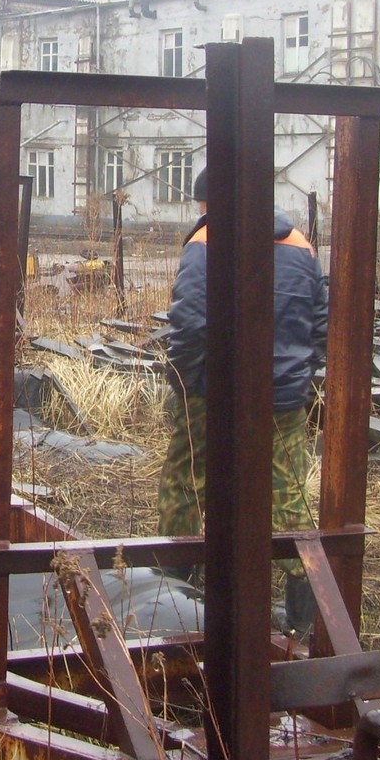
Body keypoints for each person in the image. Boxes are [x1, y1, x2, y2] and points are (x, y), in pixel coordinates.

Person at [158, 166, 327, 637]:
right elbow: (320, 325)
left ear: (209, 201)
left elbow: (191, 323)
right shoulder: (301, 245)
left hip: (213, 392)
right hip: (284, 395)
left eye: (200, 204)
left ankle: (175, 598)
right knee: (287, 489)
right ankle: (302, 619)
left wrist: (186, 380)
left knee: (186, 481)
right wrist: (296, 374)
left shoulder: (207, 240)